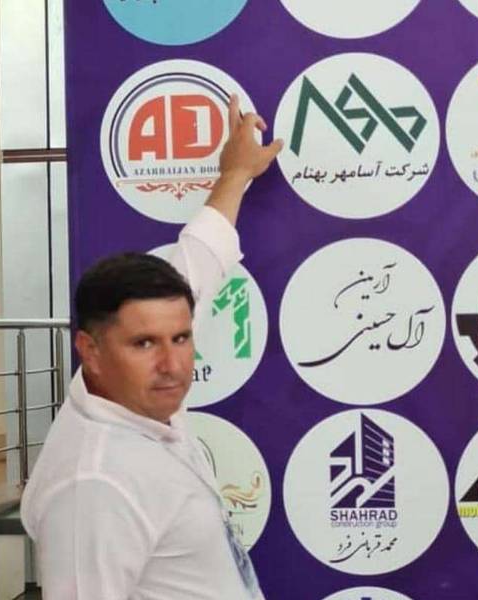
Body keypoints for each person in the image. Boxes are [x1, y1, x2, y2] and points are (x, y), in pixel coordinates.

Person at [21, 95, 283, 600]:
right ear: (90, 350)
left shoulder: (131, 396)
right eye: (144, 344)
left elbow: (198, 263)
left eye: (181, 338)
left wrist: (235, 175)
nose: (172, 365)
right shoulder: (93, 486)